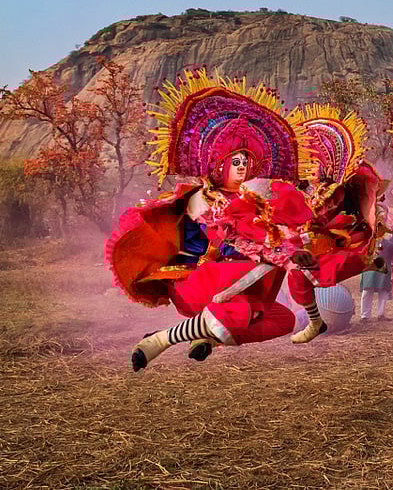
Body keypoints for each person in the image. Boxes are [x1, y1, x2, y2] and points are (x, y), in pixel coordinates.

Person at [105, 70, 316, 371]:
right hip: (200, 281)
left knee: (285, 320)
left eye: (246, 162)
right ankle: (161, 340)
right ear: (219, 163)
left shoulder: (252, 200)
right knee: (245, 299)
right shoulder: (200, 199)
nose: (243, 168)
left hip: (244, 283)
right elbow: (230, 238)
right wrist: (275, 250)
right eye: (236, 162)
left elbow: (270, 235)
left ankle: (207, 336)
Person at [282, 104, 388, 344]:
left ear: (326, 164)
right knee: (295, 276)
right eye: (306, 166)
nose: (310, 171)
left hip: (333, 241)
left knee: (334, 264)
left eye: (314, 164)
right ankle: (315, 321)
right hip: (306, 243)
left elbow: (331, 217)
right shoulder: (302, 191)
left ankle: (367, 264)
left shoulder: (335, 190)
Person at [361, 232, 393, 321]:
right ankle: (365, 316)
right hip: (370, 265)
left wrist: (385, 239)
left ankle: (381, 314)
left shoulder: (391, 235)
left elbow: (392, 248)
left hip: (384, 265)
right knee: (367, 290)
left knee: (383, 290)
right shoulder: (369, 231)